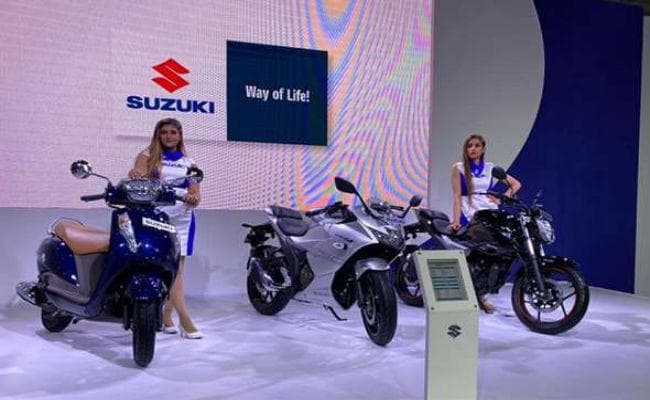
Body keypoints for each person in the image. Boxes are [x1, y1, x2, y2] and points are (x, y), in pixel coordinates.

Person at [129, 117, 203, 339]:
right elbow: (138, 177)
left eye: (173, 132)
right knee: (160, 269)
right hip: (154, 218)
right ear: (158, 135)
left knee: (176, 271)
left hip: (182, 221)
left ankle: (167, 316)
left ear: (180, 136)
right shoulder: (147, 156)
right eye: (164, 132)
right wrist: (136, 175)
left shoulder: (190, 163)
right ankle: (185, 320)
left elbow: (196, 194)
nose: (169, 136)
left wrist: (192, 197)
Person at [449, 133, 521, 313]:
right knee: (484, 251)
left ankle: (486, 287)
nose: (473, 149)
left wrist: (501, 198)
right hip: (474, 213)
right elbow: (457, 197)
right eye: (469, 146)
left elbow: (515, 184)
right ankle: (478, 294)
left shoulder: (490, 168)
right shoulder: (458, 168)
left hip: (491, 212)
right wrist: (456, 220)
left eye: (477, 145)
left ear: (483, 149)